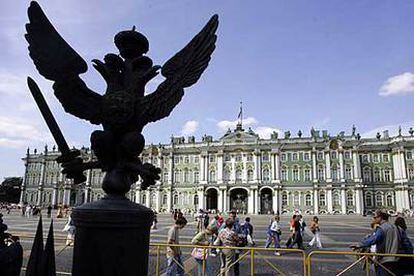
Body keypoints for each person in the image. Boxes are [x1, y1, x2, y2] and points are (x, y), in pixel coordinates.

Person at [353, 210, 402, 275]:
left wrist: (360, 245)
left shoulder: (382, 228)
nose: (374, 219)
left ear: (380, 218)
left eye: (375, 217)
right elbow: (406, 243)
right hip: (396, 258)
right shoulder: (396, 227)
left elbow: (374, 239)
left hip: (384, 259)